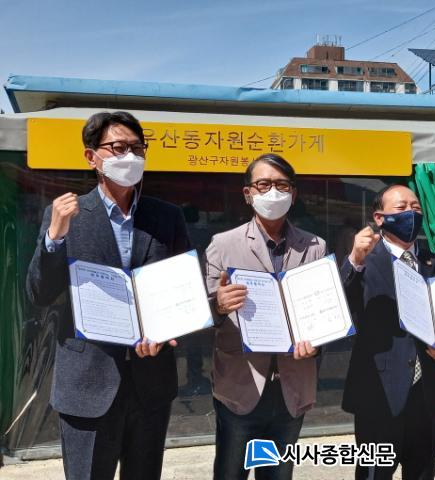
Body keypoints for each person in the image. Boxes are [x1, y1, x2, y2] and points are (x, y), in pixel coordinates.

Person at [25, 111, 191, 479]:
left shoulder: (166, 217)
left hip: (151, 382)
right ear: (91, 157)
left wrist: (167, 330)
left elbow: (182, 291)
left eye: (137, 148)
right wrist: (54, 238)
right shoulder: (66, 214)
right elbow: (39, 293)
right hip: (87, 383)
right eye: (118, 148)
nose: (129, 156)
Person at [204, 153, 325, 480]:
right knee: (230, 473)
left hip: (292, 387)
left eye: (282, 185)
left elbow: (322, 310)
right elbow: (206, 315)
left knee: (278, 474)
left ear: (293, 194)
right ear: (248, 193)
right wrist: (219, 305)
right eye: (263, 184)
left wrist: (316, 343)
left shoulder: (315, 246)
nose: (273, 192)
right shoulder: (222, 245)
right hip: (240, 386)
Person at [341, 184, 435, 480]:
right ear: (379, 218)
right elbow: (341, 303)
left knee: (422, 472)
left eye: (416, 207)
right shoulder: (363, 262)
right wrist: (354, 259)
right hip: (378, 393)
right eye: (401, 207)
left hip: (427, 395)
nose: (411, 213)